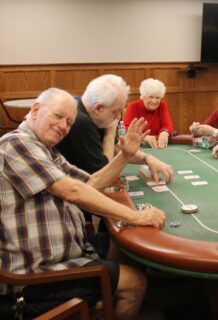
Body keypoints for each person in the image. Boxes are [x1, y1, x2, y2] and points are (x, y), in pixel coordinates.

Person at [0, 88, 165, 319]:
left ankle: (104, 297)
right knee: (135, 282)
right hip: (32, 276)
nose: (63, 126)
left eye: (69, 122)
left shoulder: (47, 151)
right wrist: (134, 216)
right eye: (58, 116)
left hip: (67, 251)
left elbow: (92, 182)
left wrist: (125, 155)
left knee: (124, 245)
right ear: (36, 110)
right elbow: (73, 191)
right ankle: (110, 293)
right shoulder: (15, 143)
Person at [57, 74, 173, 181]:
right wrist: (110, 133)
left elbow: (118, 148)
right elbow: (103, 175)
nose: (118, 117)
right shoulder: (81, 122)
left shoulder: (89, 109)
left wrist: (147, 159)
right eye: (116, 112)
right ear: (98, 108)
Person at [124, 78, 174, 149]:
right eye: (151, 97)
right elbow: (126, 129)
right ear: (143, 96)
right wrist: (144, 137)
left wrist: (164, 133)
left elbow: (167, 125)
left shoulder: (162, 105)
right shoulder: (133, 106)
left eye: (157, 98)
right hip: (139, 145)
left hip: (158, 145)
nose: (154, 101)